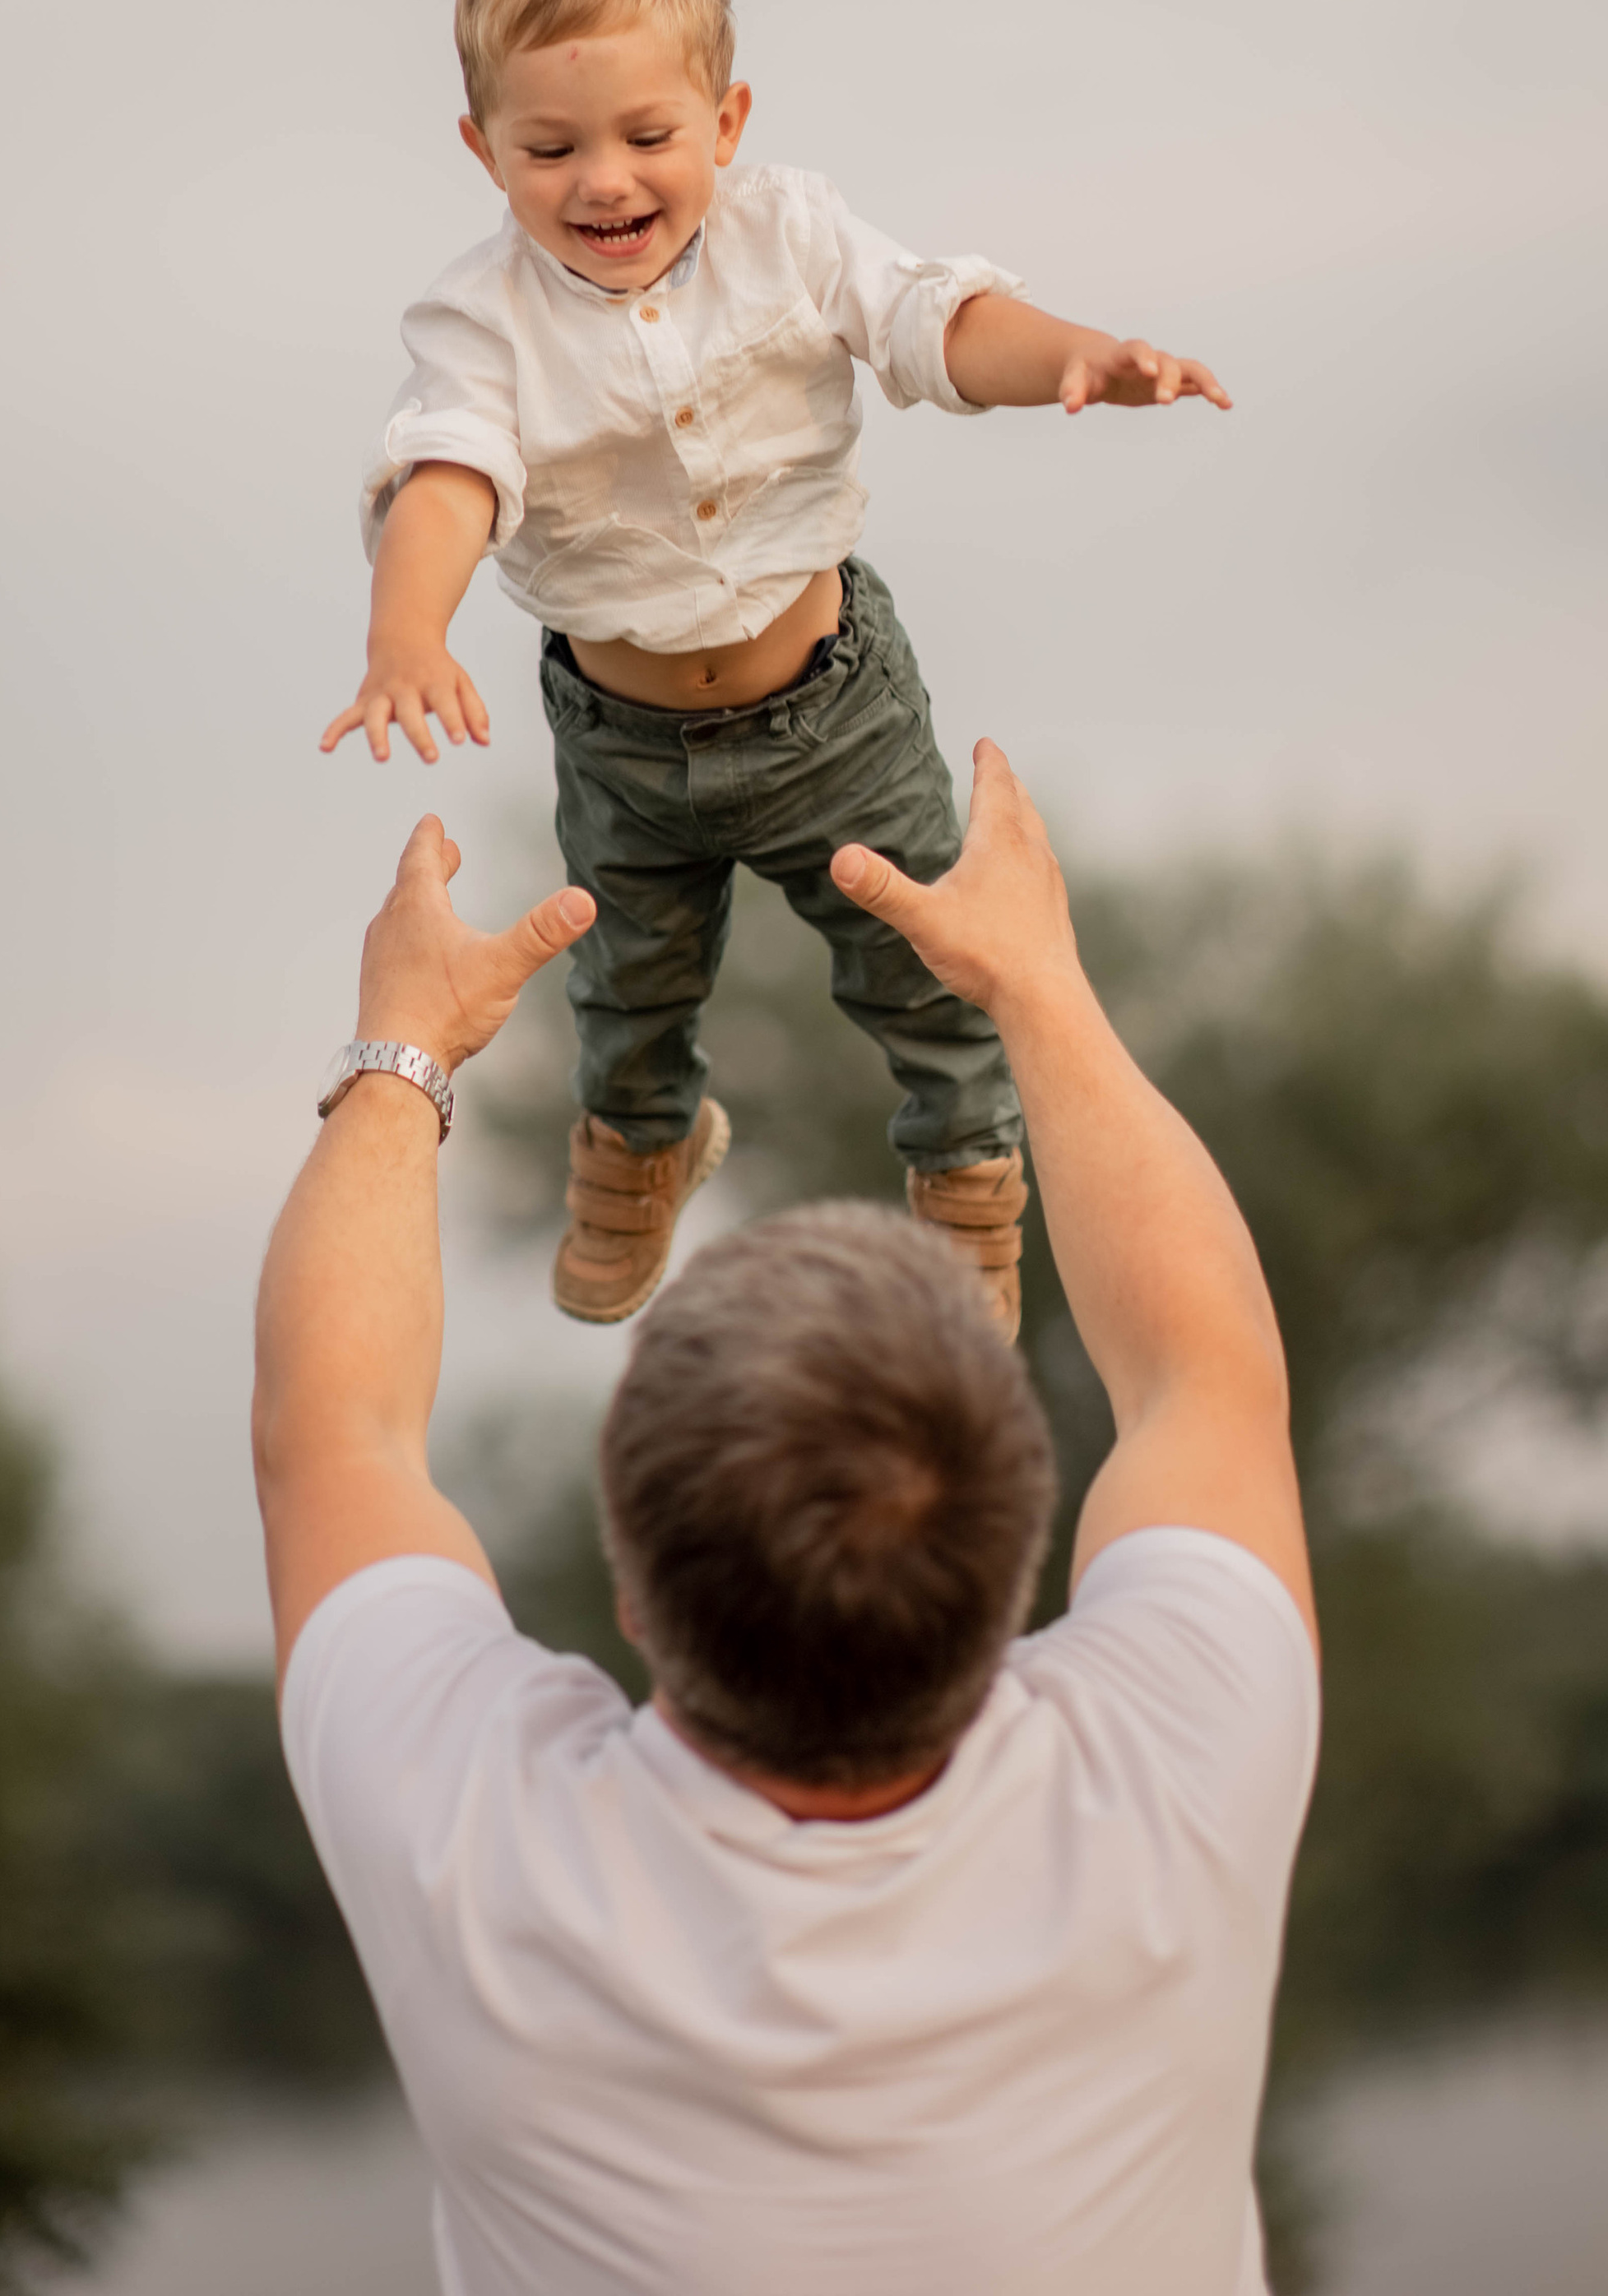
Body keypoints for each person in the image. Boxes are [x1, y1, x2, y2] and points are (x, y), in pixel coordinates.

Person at [256, 742, 1318, 2296]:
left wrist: (406, 1045)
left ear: (633, 1584)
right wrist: (1041, 987)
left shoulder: (484, 1855)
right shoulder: (1176, 1774)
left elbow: (330, 1437)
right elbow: (1207, 1378)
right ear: (1016, 1558)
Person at [319, 0, 1230, 1335]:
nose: (603, 180)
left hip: (836, 710)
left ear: (726, 120)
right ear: (482, 148)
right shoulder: (478, 321)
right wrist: (406, 634)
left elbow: (938, 324)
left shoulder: (792, 235)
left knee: (930, 962)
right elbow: (449, 477)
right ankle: (642, 1147)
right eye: (550, 149)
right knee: (627, 985)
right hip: (624, 743)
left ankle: (968, 1189)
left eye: (647, 136)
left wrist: (1079, 356)